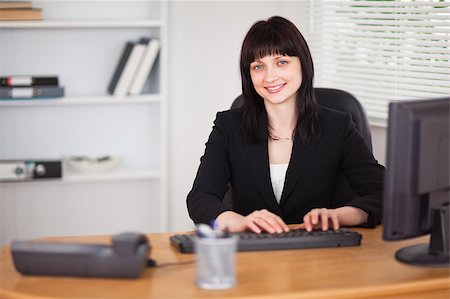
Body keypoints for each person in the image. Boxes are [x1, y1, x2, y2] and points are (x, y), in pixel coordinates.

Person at [186, 16, 384, 234]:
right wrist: (236, 221)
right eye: (258, 66)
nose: (270, 77)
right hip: (254, 253)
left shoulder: (338, 126)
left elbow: (383, 193)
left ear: (303, 64)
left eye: (281, 62)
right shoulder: (229, 126)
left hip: (321, 252)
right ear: (249, 75)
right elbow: (200, 198)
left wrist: (338, 216)